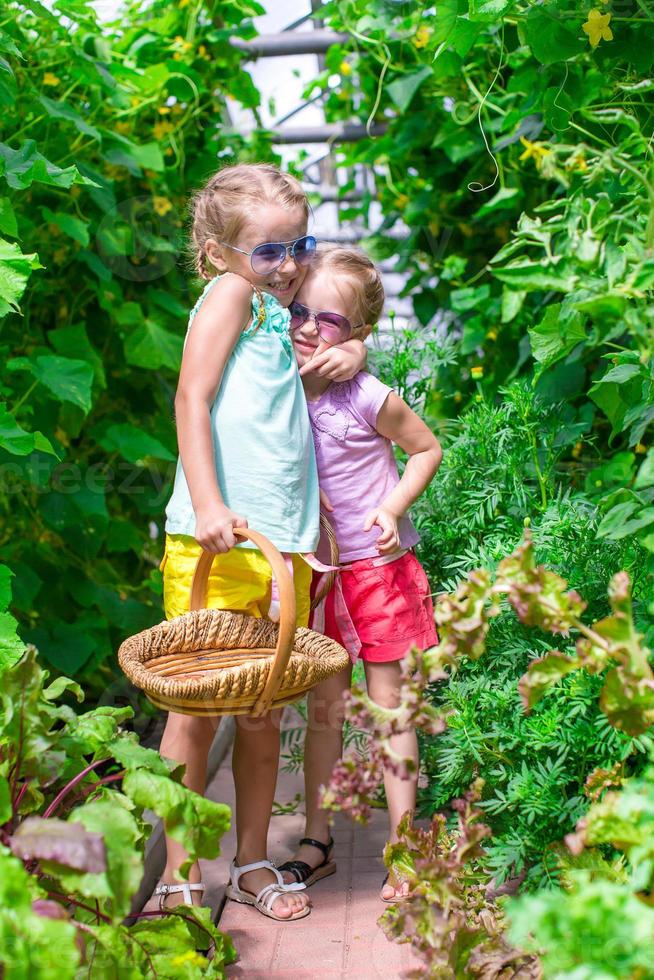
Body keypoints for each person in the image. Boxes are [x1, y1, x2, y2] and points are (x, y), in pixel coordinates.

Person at [153, 165, 366, 921]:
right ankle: (182, 870)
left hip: (284, 543)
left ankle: (249, 861)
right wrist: (208, 501)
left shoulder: (275, 312)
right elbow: (193, 396)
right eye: (267, 251)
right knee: (195, 708)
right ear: (216, 254)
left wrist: (346, 360)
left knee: (263, 709)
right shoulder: (230, 295)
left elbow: (274, 411)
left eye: (297, 246)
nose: (288, 265)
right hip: (219, 540)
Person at [278, 246, 442, 902]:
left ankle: (406, 853)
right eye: (297, 312)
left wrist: (392, 505)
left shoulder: (366, 395)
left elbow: (426, 447)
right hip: (318, 572)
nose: (308, 328)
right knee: (322, 711)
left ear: (360, 337)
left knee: (389, 709)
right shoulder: (277, 384)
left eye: (330, 321)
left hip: (375, 570)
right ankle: (316, 841)